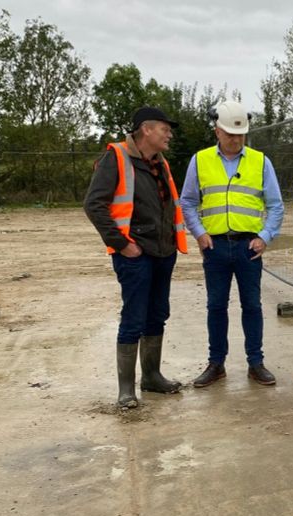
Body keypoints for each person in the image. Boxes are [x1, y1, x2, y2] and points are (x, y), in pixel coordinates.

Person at [84, 106, 188, 408]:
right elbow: (94, 205)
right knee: (134, 317)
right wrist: (121, 244)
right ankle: (126, 390)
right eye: (165, 129)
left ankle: (152, 377)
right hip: (134, 255)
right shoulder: (115, 158)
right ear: (146, 129)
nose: (169, 134)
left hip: (163, 252)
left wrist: (170, 243)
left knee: (157, 315)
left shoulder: (160, 162)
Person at [180, 100, 284, 387]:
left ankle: (256, 363)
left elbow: (276, 205)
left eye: (240, 135)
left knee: (252, 306)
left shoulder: (261, 162)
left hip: (248, 248)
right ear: (217, 132)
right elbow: (187, 202)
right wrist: (200, 234)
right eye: (230, 134)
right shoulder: (199, 160)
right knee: (216, 306)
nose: (236, 139)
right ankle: (216, 364)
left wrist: (264, 237)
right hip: (214, 247)